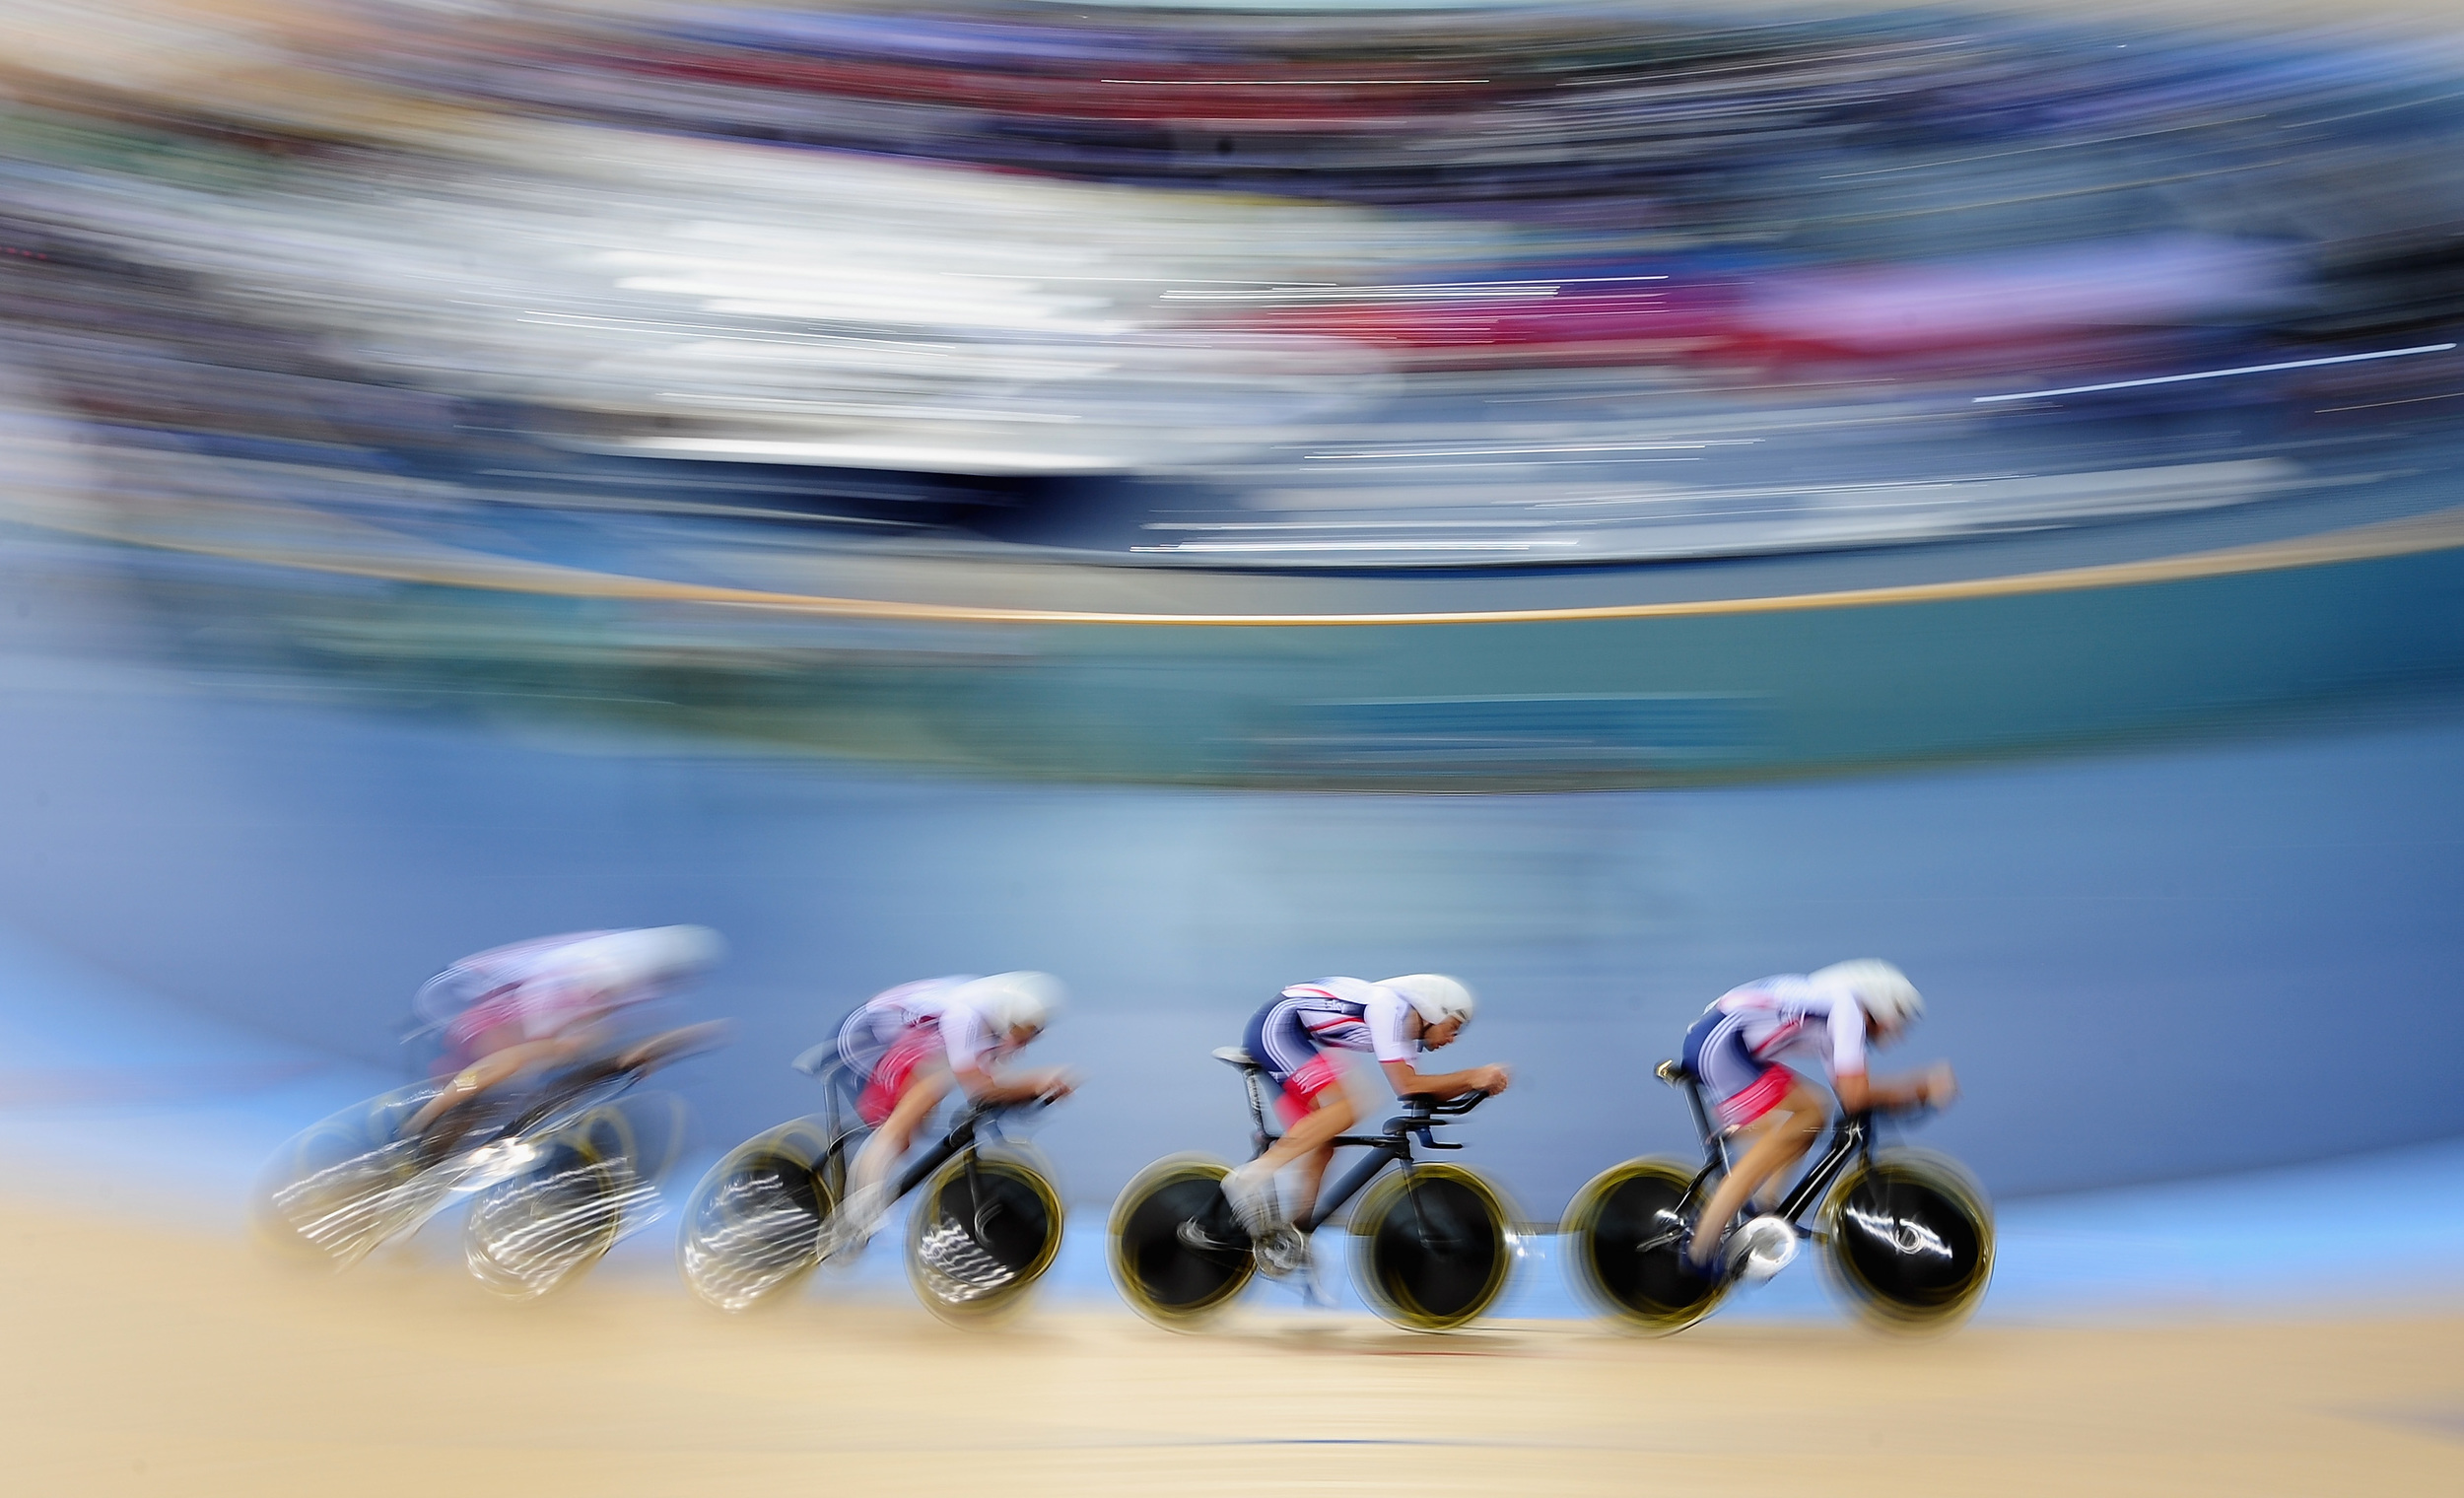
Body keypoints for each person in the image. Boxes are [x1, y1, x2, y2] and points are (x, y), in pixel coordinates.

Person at [1677, 959, 1955, 1278]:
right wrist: (1919, 1090)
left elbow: (1850, 1094)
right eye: (1900, 1018)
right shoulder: (1846, 1008)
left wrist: (1898, 1098)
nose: (1898, 1032)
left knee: (1813, 1111)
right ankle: (1700, 1247)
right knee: (1786, 1133)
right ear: (1882, 1003)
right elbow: (1857, 1095)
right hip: (1719, 1045)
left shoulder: (1833, 1014)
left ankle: (1761, 1207)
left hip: (1730, 1044)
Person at [1216, 974, 1509, 1248]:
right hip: (1279, 1025)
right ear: (1434, 1011)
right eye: (1454, 1027)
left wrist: (1474, 1086)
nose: (1453, 1039)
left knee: (1325, 1140)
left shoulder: (1406, 1031)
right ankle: (1249, 1179)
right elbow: (1407, 1085)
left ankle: (1294, 1235)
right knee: (1347, 1109)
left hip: (1296, 1035)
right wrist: (1472, 1077)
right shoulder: (1389, 1007)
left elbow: (1419, 1088)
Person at [399, 925, 725, 1154]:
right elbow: (539, 1044)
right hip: (458, 992)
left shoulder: (639, 974)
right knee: (518, 1061)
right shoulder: (584, 971)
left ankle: (457, 1123)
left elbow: (616, 1028)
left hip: (521, 989)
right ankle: (427, 1116)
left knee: (568, 1058)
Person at [818, 970, 1073, 1257]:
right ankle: (858, 1211)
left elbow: (992, 1086)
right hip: (870, 1033)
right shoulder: (968, 1015)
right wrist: (1034, 1084)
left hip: (912, 1030)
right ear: (1009, 1017)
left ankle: (867, 1188)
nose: (1023, 1045)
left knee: (926, 1097)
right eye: (1023, 1033)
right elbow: (982, 1089)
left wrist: (1026, 1091)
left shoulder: (994, 1015)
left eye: (1032, 1036)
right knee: (921, 1098)